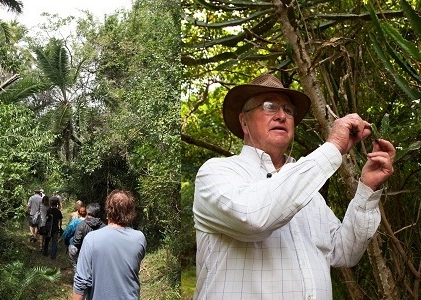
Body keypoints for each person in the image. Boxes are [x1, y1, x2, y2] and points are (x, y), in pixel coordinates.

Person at [192, 73, 396, 299]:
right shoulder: (216, 173)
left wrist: (367, 188)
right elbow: (252, 217)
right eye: (269, 106)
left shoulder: (308, 190)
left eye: (288, 110)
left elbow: (344, 252)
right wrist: (333, 147)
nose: (281, 116)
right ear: (244, 122)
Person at [73, 190, 147, 300]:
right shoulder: (139, 238)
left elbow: (81, 282)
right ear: (130, 213)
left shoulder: (91, 239)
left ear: (108, 211)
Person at [68, 203, 105, 271]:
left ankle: (76, 270)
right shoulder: (103, 226)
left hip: (83, 254)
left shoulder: (81, 225)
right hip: (99, 254)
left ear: (87, 212)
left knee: (71, 247)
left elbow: (76, 242)